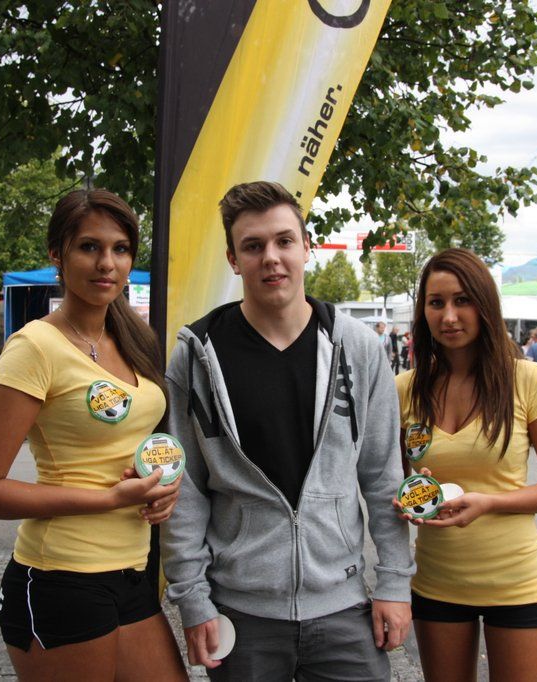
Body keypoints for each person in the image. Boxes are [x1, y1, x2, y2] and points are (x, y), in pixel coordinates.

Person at [162, 181, 414, 681]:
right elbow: (185, 489)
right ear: (233, 259)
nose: (271, 258)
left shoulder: (358, 348)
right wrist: (192, 599)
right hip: (242, 612)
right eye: (253, 246)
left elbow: (383, 477)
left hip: (343, 606)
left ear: (306, 247)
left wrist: (394, 583)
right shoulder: (196, 355)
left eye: (284, 241)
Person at [0, 189, 187, 682]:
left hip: (132, 571)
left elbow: (131, 443)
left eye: (121, 249)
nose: (107, 264)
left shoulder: (133, 338)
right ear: (57, 254)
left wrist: (160, 488)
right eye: (89, 247)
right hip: (61, 576)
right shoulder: (35, 347)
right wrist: (109, 499)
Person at [394, 247, 537, 682]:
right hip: (436, 583)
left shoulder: (527, 380)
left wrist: (489, 502)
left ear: (485, 305)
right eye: (436, 302)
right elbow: (395, 483)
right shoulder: (404, 389)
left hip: (517, 584)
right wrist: (409, 498)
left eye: (462, 300)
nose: (449, 316)